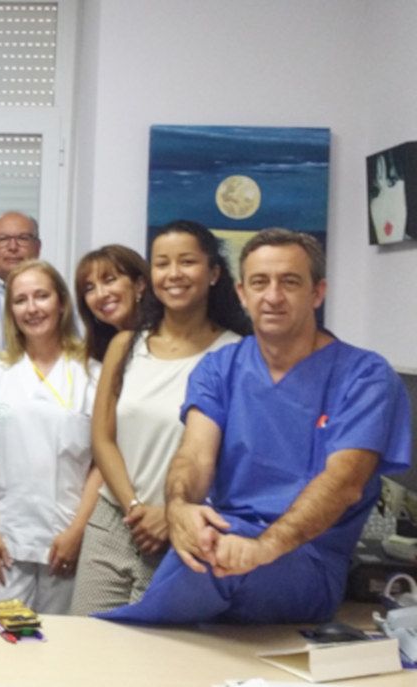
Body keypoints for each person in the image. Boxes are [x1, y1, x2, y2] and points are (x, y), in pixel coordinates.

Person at [100, 229, 411, 624]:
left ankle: (123, 634)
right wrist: (179, 508)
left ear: (317, 293)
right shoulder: (220, 367)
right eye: (260, 283)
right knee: (201, 557)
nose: (273, 296)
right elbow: (194, 456)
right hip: (227, 542)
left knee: (203, 567)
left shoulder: (365, 377)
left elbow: (344, 482)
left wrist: (265, 546)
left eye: (290, 282)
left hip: (306, 559)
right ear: (243, 294)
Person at [70, 222, 249, 616]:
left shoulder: (237, 355)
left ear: (214, 272)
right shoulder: (126, 344)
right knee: (86, 649)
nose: (174, 274)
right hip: (115, 520)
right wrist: (134, 507)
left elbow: (235, 456)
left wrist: (171, 515)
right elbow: (103, 438)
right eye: (162, 263)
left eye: (187, 262)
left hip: (185, 530)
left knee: (154, 658)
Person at [0, 260, 100, 613]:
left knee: (60, 651)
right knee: (2, 647)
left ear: (61, 303)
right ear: (10, 311)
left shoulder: (91, 372)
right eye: (20, 300)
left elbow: (103, 462)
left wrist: (78, 531)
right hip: (6, 538)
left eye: (41, 296)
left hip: (66, 538)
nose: (32, 308)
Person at [74, 244, 149, 362]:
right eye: (89, 288)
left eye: (109, 280)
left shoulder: (163, 342)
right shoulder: (94, 357)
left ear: (139, 285)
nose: (100, 294)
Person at [0, 211, 41, 348]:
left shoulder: (57, 300)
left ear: (38, 248)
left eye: (23, 238)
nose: (13, 247)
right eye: (2, 239)